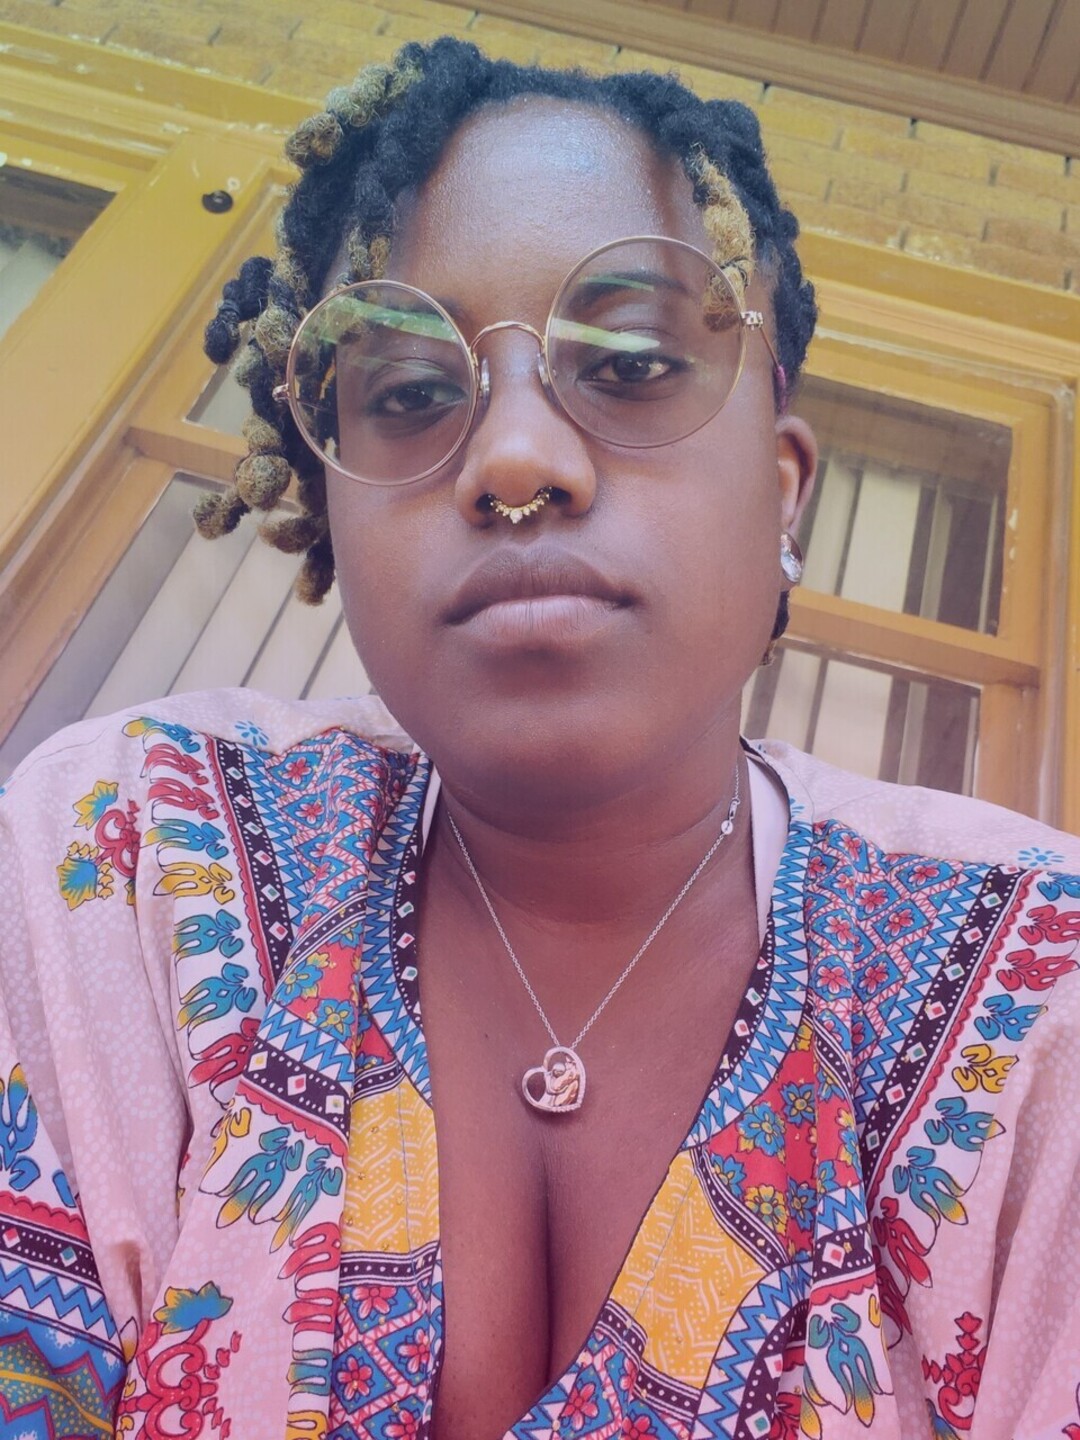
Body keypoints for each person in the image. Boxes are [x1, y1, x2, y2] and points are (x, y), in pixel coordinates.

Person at [0, 34, 1078, 1440]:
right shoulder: (136, 853)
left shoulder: (1037, 989)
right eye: (409, 393)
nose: (513, 460)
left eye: (628, 364)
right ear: (331, 501)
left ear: (784, 491)